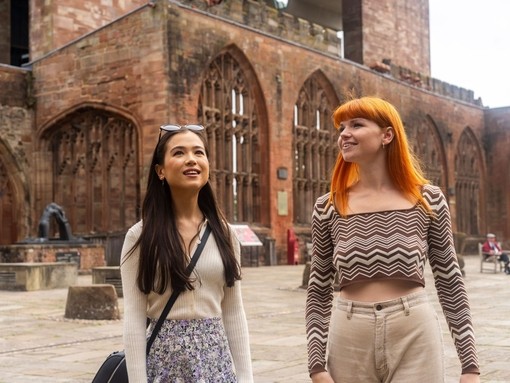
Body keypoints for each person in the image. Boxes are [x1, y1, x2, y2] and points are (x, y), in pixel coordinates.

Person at [305, 97, 480, 383]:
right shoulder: (328, 206)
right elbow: (319, 289)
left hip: (414, 333)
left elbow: (450, 281)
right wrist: (316, 365)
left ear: (387, 135)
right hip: (349, 338)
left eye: (357, 125)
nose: (344, 134)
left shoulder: (428, 200)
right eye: (341, 128)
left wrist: (470, 365)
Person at [120, 124, 253, 382]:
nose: (191, 159)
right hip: (164, 364)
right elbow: (135, 316)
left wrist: (246, 378)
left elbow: (234, 310)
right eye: (179, 153)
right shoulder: (139, 237)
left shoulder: (226, 234)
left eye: (199, 152)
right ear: (160, 170)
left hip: (216, 363)